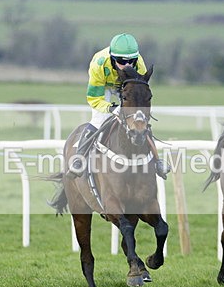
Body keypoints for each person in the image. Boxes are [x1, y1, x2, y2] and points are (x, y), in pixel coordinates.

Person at [69, 33, 169, 179]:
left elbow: (139, 93)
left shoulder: (139, 64)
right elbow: (94, 99)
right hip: (104, 87)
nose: (127, 65)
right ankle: (79, 158)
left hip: (125, 87)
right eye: (122, 61)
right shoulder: (99, 64)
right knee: (99, 119)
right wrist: (111, 108)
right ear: (112, 58)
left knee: (140, 120)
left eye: (131, 60)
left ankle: (157, 161)